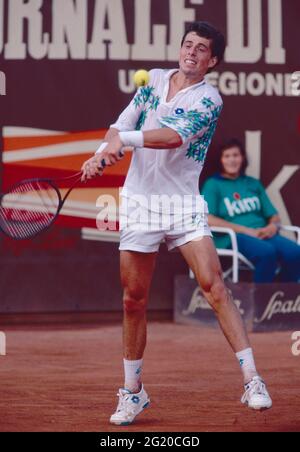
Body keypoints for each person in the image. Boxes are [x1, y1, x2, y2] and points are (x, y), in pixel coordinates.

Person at [81, 22, 272, 426]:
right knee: (133, 299)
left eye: (201, 49)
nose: (192, 52)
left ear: (212, 61)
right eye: (188, 44)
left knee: (213, 284)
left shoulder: (209, 99)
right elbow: (123, 120)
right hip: (140, 203)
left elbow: (170, 138)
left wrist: (124, 142)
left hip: (182, 202)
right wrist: (101, 150)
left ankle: (252, 378)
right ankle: (133, 393)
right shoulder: (153, 80)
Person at [202, 138, 300, 283]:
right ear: (220, 160)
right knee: (266, 253)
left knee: (295, 253)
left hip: (261, 233)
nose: (232, 160)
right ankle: (262, 300)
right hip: (233, 237)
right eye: (227, 156)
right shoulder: (213, 184)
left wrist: (272, 226)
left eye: (235, 155)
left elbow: (273, 215)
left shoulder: (252, 183)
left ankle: (282, 296)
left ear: (242, 158)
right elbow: (209, 219)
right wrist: (245, 230)